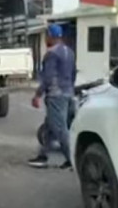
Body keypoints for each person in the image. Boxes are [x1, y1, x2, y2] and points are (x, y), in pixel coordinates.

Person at [28, 24, 76, 169]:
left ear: (50, 36)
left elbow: (47, 78)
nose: (45, 39)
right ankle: (43, 156)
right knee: (50, 127)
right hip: (68, 92)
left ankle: (71, 160)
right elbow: (73, 74)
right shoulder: (70, 52)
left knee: (60, 129)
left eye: (46, 36)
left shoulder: (51, 54)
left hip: (56, 95)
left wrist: (37, 95)